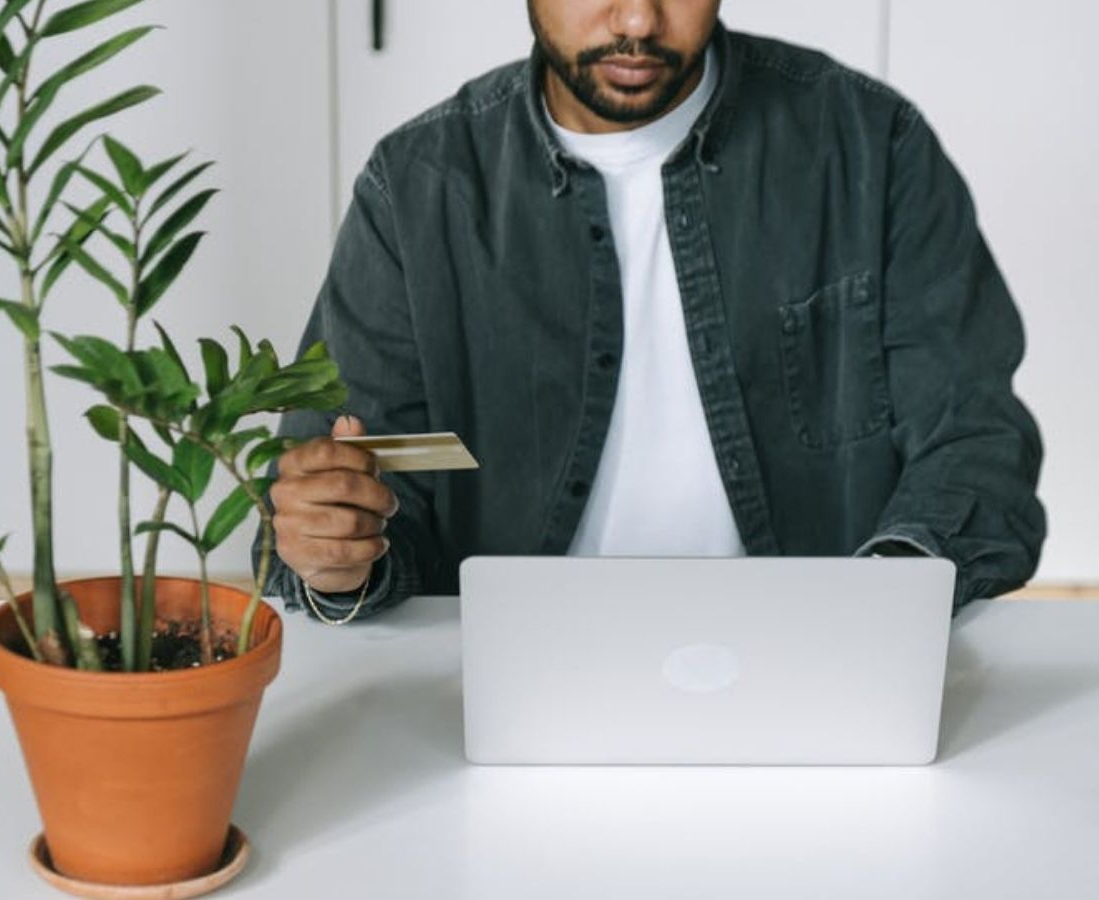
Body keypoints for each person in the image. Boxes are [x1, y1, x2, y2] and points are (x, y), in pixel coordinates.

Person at [258, 0, 1046, 623]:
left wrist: (879, 613)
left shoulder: (871, 147)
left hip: (811, 674)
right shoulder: (420, 187)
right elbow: (357, 476)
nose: (637, 21)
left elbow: (973, 437)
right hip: (508, 688)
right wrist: (337, 553)